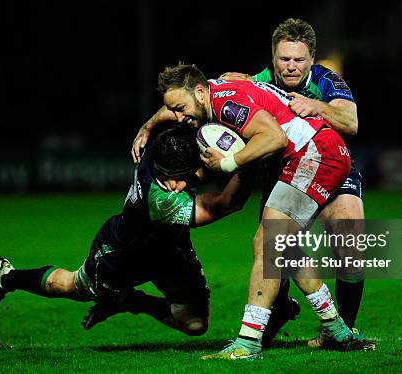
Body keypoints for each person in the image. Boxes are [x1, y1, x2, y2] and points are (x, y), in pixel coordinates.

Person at [153, 63, 373, 360]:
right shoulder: (216, 94)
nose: (179, 118)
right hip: (315, 152)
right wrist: (191, 175)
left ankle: (248, 342)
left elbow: (274, 139)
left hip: (315, 153)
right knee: (284, 247)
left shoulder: (228, 104)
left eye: (180, 108)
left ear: (201, 93)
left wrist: (227, 164)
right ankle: (336, 328)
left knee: (268, 243)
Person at [0, 124, 253, 336]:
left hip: (169, 251)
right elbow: (226, 204)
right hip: (121, 255)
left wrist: (149, 123)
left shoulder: (158, 145)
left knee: (195, 324)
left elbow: (174, 112)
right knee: (71, 286)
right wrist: (248, 163)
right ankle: (8, 276)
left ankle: (128, 301)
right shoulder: (162, 200)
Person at [220, 18, 367, 347]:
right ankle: (280, 309)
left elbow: (351, 122)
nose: (290, 67)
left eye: (298, 60)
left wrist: (316, 106)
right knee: (273, 248)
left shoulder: (327, 81)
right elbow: (207, 92)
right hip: (284, 170)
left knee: (349, 238)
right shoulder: (257, 81)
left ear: (311, 59)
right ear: (273, 57)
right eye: (284, 59)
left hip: (331, 166)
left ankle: (344, 328)